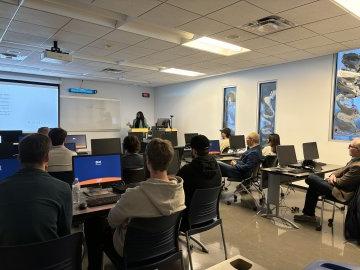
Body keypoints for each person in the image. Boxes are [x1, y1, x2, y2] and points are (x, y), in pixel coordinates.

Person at [86, 138, 185, 269]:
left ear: (147, 161)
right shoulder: (179, 190)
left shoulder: (133, 195)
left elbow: (111, 221)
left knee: (92, 223)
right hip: (164, 249)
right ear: (170, 160)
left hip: (131, 254)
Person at [0, 134, 72, 246]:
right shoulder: (63, 188)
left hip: (9, 261)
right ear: (47, 158)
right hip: (52, 260)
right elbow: (65, 233)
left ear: (19, 157)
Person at [294, 138, 360, 223]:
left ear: (358, 150)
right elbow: (340, 171)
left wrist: (329, 179)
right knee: (313, 184)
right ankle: (308, 215)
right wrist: (333, 175)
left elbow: (342, 183)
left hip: (342, 193)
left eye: (351, 146)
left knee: (311, 178)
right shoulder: (354, 160)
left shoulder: (357, 166)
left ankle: (308, 215)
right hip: (337, 187)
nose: (348, 147)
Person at [177, 135, 222, 207]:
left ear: (194, 151)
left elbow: (175, 188)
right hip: (211, 211)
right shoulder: (217, 167)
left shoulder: (187, 169)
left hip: (190, 213)